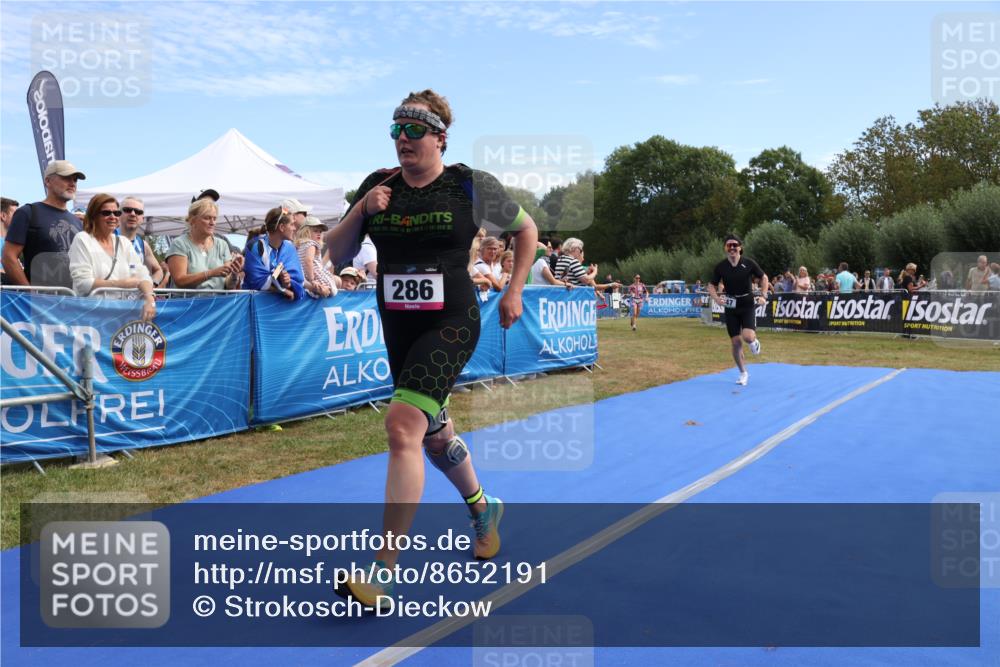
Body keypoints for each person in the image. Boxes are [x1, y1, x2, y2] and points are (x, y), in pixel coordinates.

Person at [324, 89, 538, 609]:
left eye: (414, 130)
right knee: (435, 436)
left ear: (440, 137)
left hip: (451, 319)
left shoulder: (468, 183)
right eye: (396, 130)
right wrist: (360, 209)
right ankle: (483, 509)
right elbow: (337, 251)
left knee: (401, 425)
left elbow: (526, 230)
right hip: (397, 324)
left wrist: (514, 288)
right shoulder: (378, 186)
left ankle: (382, 571)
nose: (403, 140)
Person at [67, 194, 155, 320]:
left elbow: (143, 276)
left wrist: (149, 298)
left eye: (116, 213)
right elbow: (83, 283)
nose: (113, 217)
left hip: (123, 314)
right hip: (92, 315)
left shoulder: (124, 242)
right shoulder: (83, 239)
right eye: (106, 213)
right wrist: (121, 284)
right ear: (94, 216)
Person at [3, 161, 85, 287]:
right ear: (48, 181)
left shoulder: (76, 222)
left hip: (73, 299)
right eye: (66, 178)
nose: (72, 183)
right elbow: (9, 257)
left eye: (75, 180)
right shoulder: (28, 212)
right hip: (41, 302)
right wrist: (29, 293)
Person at [707, 234, 769, 386]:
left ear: (740, 248)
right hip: (730, 305)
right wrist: (716, 298)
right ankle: (743, 373)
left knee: (747, 337)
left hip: (747, 303)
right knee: (736, 342)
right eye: (729, 245)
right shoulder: (721, 267)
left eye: (735, 245)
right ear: (725, 248)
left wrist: (764, 295)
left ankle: (754, 341)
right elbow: (711, 285)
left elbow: (764, 278)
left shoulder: (748, 263)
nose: (732, 248)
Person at [166, 198, 244, 290]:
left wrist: (234, 274)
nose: (212, 223)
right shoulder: (179, 244)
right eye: (207, 218)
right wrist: (211, 273)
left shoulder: (222, 245)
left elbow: (228, 285)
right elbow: (180, 281)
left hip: (217, 303)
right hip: (188, 303)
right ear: (193, 220)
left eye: (214, 218)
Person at [243, 207, 306, 300]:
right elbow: (256, 280)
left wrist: (288, 283)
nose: (294, 228)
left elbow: (298, 280)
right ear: (282, 227)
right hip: (254, 306)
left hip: (281, 308)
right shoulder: (255, 246)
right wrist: (281, 289)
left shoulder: (289, 248)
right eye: (292, 224)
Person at [118, 197, 166, 287]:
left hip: (133, 299)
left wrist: (152, 284)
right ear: (119, 214)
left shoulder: (143, 245)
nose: (133, 214)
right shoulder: (106, 237)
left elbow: (158, 270)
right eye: (128, 210)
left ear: (142, 219)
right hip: (107, 298)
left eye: (138, 212)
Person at [296, 215, 336, 297]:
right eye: (315, 231)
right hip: (314, 275)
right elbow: (308, 261)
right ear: (306, 231)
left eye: (320, 232)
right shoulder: (311, 244)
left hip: (305, 275)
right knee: (331, 290)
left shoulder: (300, 245)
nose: (319, 234)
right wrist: (312, 279)